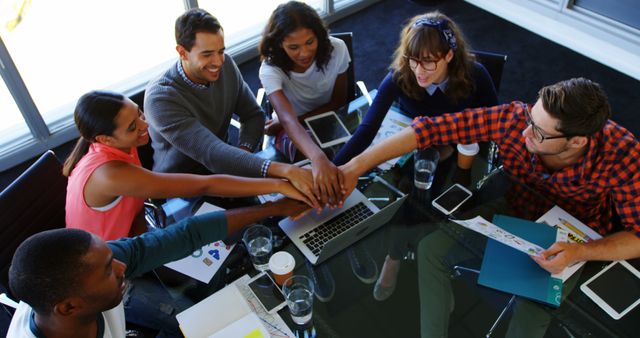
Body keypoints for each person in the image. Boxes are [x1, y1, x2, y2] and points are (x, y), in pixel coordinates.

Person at [339, 78, 640, 337]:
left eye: (538, 132)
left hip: (572, 236)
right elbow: (429, 130)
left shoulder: (623, 153)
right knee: (430, 248)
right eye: (530, 119)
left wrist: (582, 252)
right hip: (515, 206)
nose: (524, 133)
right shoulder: (515, 119)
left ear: (576, 142)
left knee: (533, 311)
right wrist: (354, 167)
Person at [332, 11, 497, 300]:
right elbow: (367, 129)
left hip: (462, 147)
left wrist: (458, 145)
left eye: (428, 61)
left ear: (449, 55)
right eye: (412, 58)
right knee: (408, 194)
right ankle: (394, 257)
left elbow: (495, 123)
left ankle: (421, 258)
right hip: (416, 142)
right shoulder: (402, 74)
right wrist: (335, 171)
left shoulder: (475, 75)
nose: (418, 70)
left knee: (448, 201)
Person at [7, 198, 308, 338]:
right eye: (108, 270)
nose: (123, 267)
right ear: (69, 307)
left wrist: (274, 208)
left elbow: (181, 236)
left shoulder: (90, 274)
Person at [63, 90, 314, 241]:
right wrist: (279, 184)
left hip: (133, 229)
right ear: (105, 139)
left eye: (139, 113)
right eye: (132, 127)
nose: (144, 125)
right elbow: (206, 184)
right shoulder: (110, 174)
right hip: (109, 262)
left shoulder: (107, 147)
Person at [144, 8, 320, 207]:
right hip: (182, 191)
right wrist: (285, 171)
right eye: (207, 54)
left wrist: (243, 153)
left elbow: (253, 114)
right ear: (182, 52)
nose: (218, 62)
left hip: (225, 166)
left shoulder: (224, 65)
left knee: (286, 213)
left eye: (221, 51)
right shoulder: (160, 99)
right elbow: (212, 152)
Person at [258, 1, 351, 204]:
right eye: (293, 47)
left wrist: (290, 121)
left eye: (310, 42)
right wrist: (317, 157)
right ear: (279, 44)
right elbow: (288, 121)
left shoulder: (338, 48)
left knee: (347, 154)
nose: (304, 53)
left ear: (319, 35)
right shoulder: (270, 69)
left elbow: (339, 101)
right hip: (293, 127)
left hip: (327, 116)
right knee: (310, 160)